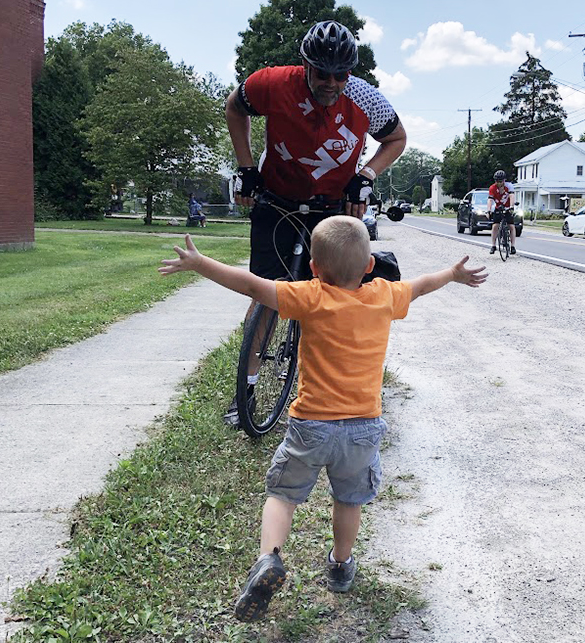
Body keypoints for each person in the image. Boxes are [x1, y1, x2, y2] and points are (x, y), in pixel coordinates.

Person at [158, 217, 488, 622]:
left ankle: (268, 558)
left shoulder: (310, 297)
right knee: (349, 499)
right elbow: (420, 286)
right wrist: (453, 273)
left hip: (310, 424)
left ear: (314, 268)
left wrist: (200, 262)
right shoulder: (384, 296)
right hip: (363, 428)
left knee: (283, 494)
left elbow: (250, 286)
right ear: (369, 265)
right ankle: (340, 564)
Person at [222, 19, 407, 426]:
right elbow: (234, 106)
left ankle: (345, 384)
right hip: (277, 197)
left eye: (341, 74)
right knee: (268, 296)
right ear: (306, 65)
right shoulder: (272, 83)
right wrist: (246, 167)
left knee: (341, 295)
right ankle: (247, 390)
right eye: (322, 73)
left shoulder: (364, 99)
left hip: (332, 207)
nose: (331, 82)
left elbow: (397, 139)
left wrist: (367, 176)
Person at [487, 169, 516, 255]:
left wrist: (511, 207)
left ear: (504, 180)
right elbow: (490, 200)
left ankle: (513, 246)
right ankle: (493, 245)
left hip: (508, 207)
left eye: (501, 181)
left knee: (511, 226)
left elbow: (512, 196)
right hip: (498, 208)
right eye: (497, 181)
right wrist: (488, 210)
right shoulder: (492, 188)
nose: (499, 183)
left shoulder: (509, 186)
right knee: (495, 225)